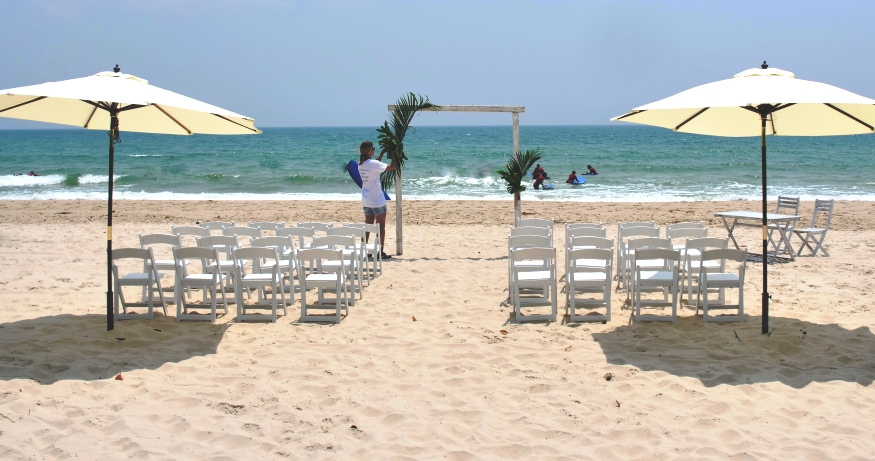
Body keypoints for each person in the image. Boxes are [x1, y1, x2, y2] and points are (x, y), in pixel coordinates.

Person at [358, 141, 394, 259]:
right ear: (369, 151)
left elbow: (375, 164)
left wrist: (381, 154)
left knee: (368, 226)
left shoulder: (361, 164)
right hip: (377, 200)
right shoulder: (373, 164)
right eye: (373, 148)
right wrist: (394, 154)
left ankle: (364, 251)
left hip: (366, 200)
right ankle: (380, 252)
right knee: (381, 227)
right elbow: (391, 167)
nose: (374, 150)